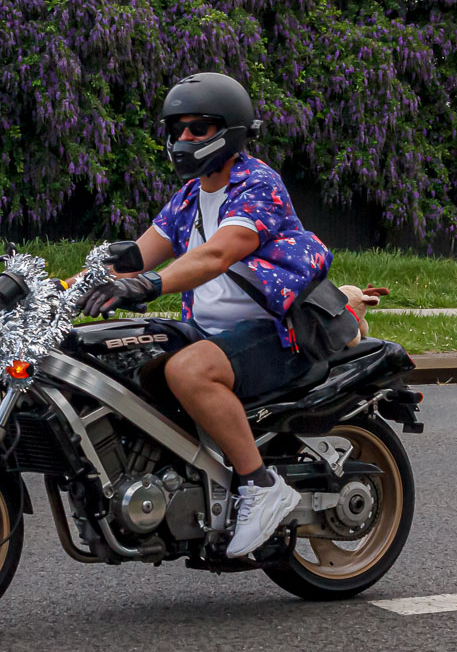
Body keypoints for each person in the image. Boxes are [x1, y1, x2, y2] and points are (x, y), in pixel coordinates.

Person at [82, 72, 332, 559]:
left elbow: (217, 254)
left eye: (198, 128)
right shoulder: (190, 197)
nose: (184, 139)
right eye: (176, 129)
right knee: (118, 353)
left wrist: (149, 284)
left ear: (230, 131)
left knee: (187, 370)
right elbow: (134, 257)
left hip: (275, 332)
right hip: (209, 331)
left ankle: (261, 486)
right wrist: (59, 290)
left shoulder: (257, 185)